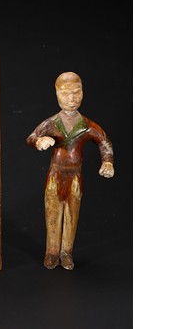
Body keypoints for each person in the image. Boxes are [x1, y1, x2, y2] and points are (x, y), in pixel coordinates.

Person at [26, 72, 114, 270]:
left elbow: (104, 141)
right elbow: (31, 137)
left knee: (72, 215)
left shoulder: (87, 125)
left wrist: (107, 162)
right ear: (57, 94)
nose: (72, 98)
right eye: (66, 94)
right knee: (52, 212)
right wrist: (38, 141)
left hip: (75, 175)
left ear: (83, 93)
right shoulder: (52, 123)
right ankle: (51, 253)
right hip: (55, 175)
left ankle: (66, 253)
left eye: (76, 93)